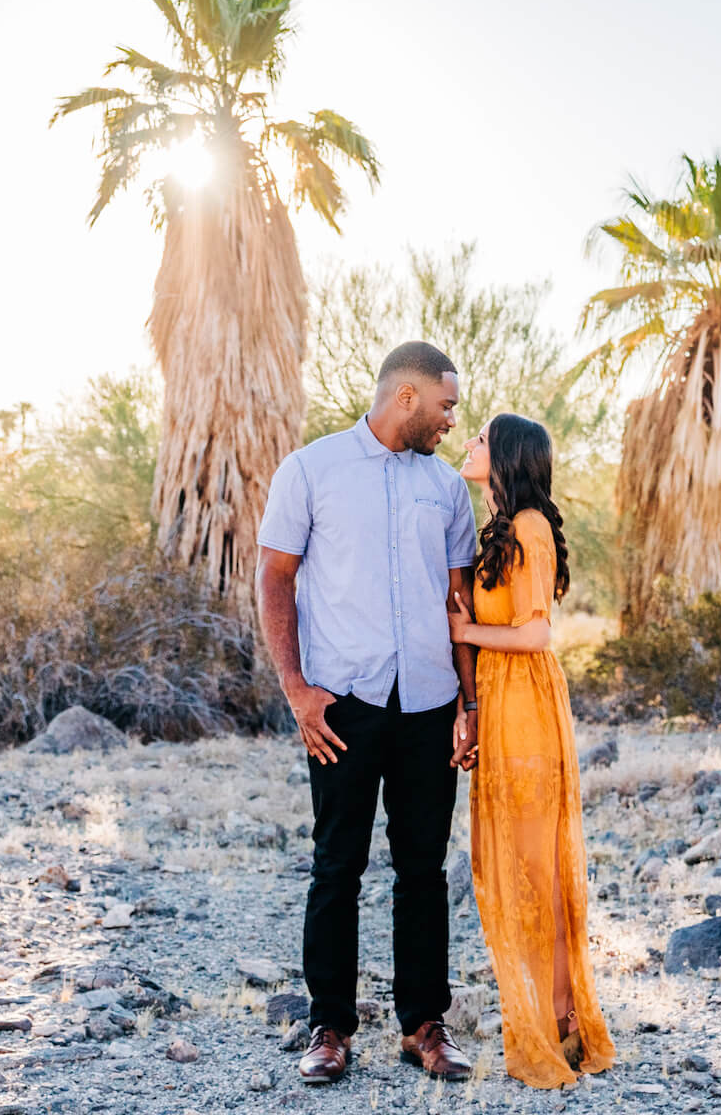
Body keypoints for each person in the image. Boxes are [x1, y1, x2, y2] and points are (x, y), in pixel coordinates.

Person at [255, 341, 482, 1085]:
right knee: (336, 867)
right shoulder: (311, 470)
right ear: (406, 397)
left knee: (423, 871)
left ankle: (424, 1027)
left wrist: (469, 702)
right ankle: (330, 1027)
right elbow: (275, 577)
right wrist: (296, 688)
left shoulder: (447, 487)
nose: (452, 420)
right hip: (342, 706)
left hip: (428, 704)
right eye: (446, 405)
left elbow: (458, 604)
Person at [448, 413, 617, 1088]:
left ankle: (560, 1021)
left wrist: (466, 630)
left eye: (480, 438)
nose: (468, 444)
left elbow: (535, 635)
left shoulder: (530, 527)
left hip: (526, 708)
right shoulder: (502, 527)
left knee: (536, 870)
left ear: (508, 456)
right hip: (500, 705)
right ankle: (553, 1019)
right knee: (518, 865)